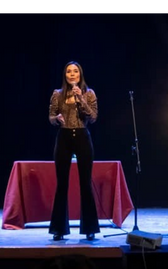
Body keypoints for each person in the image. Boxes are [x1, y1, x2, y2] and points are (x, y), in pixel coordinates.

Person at [48, 61, 100, 241]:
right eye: (69, 71)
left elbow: (93, 117)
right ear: (65, 75)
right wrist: (57, 119)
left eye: (75, 71)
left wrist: (81, 98)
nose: (72, 74)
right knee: (62, 184)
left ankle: (90, 228)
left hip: (83, 137)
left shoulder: (89, 93)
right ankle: (59, 229)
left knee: (85, 183)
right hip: (63, 137)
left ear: (80, 74)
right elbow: (51, 117)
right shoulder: (58, 94)